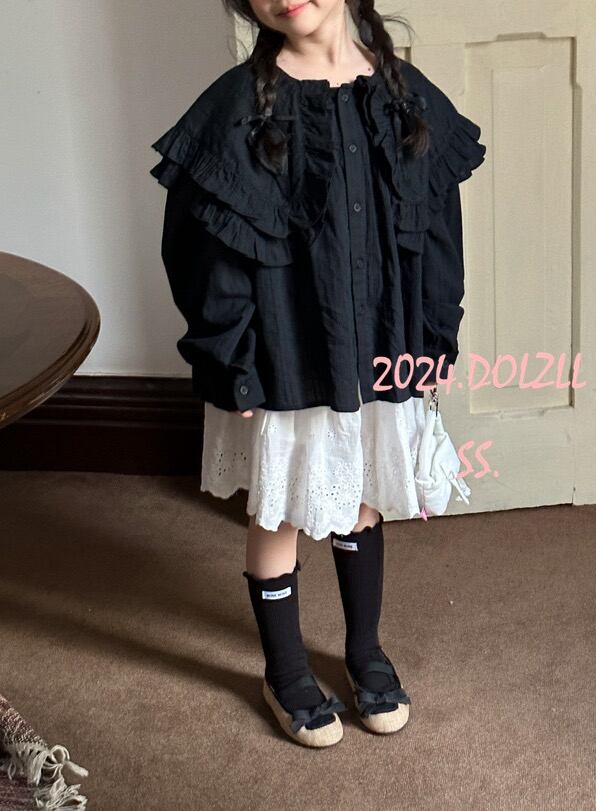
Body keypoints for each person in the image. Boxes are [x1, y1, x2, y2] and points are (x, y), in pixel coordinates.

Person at [149, 0, 486, 748]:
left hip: (380, 343)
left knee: (362, 495)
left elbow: (440, 234)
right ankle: (286, 669)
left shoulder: (405, 97)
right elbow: (200, 253)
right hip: (283, 352)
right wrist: (229, 359)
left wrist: (435, 337)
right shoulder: (237, 107)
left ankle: (364, 650)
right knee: (280, 511)